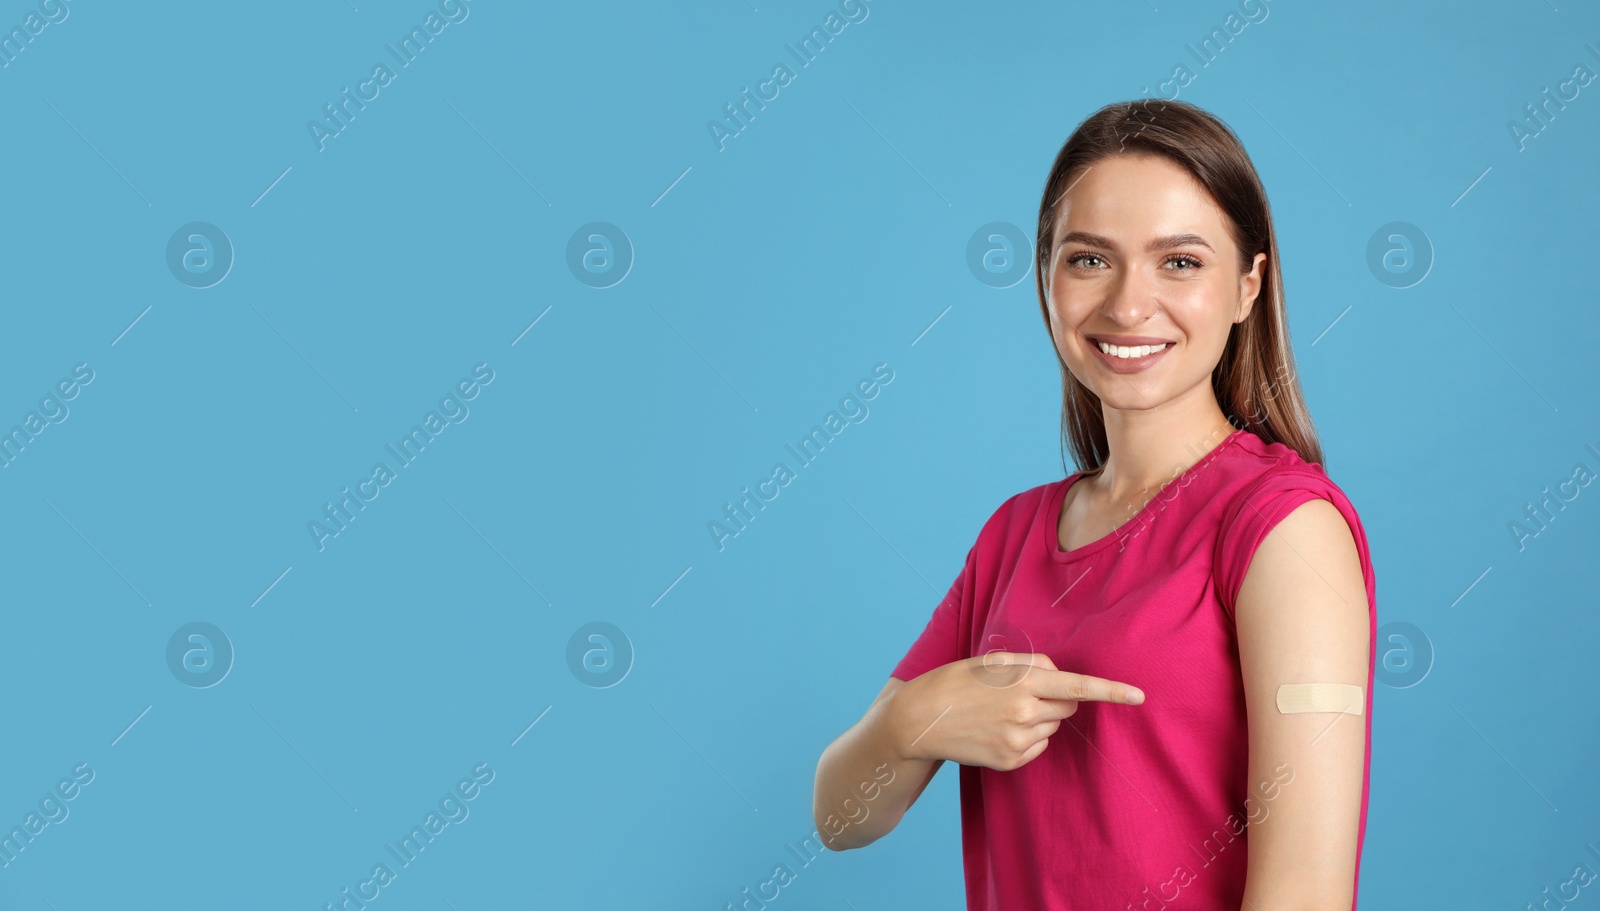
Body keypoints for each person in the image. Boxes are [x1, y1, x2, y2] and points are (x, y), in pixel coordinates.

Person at [811, 99, 1376, 910]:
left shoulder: (1285, 528)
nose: (1127, 305)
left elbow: (1306, 892)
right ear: (1045, 277)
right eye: (1089, 260)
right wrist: (913, 722)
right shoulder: (1014, 534)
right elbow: (840, 818)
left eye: (1179, 261)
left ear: (1249, 285)